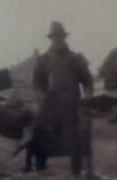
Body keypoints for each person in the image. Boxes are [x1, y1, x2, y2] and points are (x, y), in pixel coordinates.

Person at [32, 21, 93, 178]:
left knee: (75, 135)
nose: (57, 39)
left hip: (71, 103)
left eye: (60, 36)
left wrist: (87, 95)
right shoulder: (43, 59)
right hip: (50, 104)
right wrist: (41, 95)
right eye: (54, 36)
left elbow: (87, 80)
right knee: (39, 130)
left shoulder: (75, 58)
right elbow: (37, 82)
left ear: (64, 37)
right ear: (51, 38)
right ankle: (40, 169)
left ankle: (76, 172)